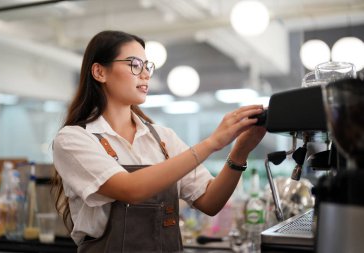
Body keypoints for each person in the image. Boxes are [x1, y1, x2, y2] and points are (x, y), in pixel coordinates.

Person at [52, 30, 266, 253]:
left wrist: (240, 151)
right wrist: (211, 143)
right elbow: (130, 189)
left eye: (147, 66)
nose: (145, 74)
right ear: (99, 72)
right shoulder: (73, 139)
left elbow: (210, 202)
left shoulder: (163, 138)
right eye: (135, 64)